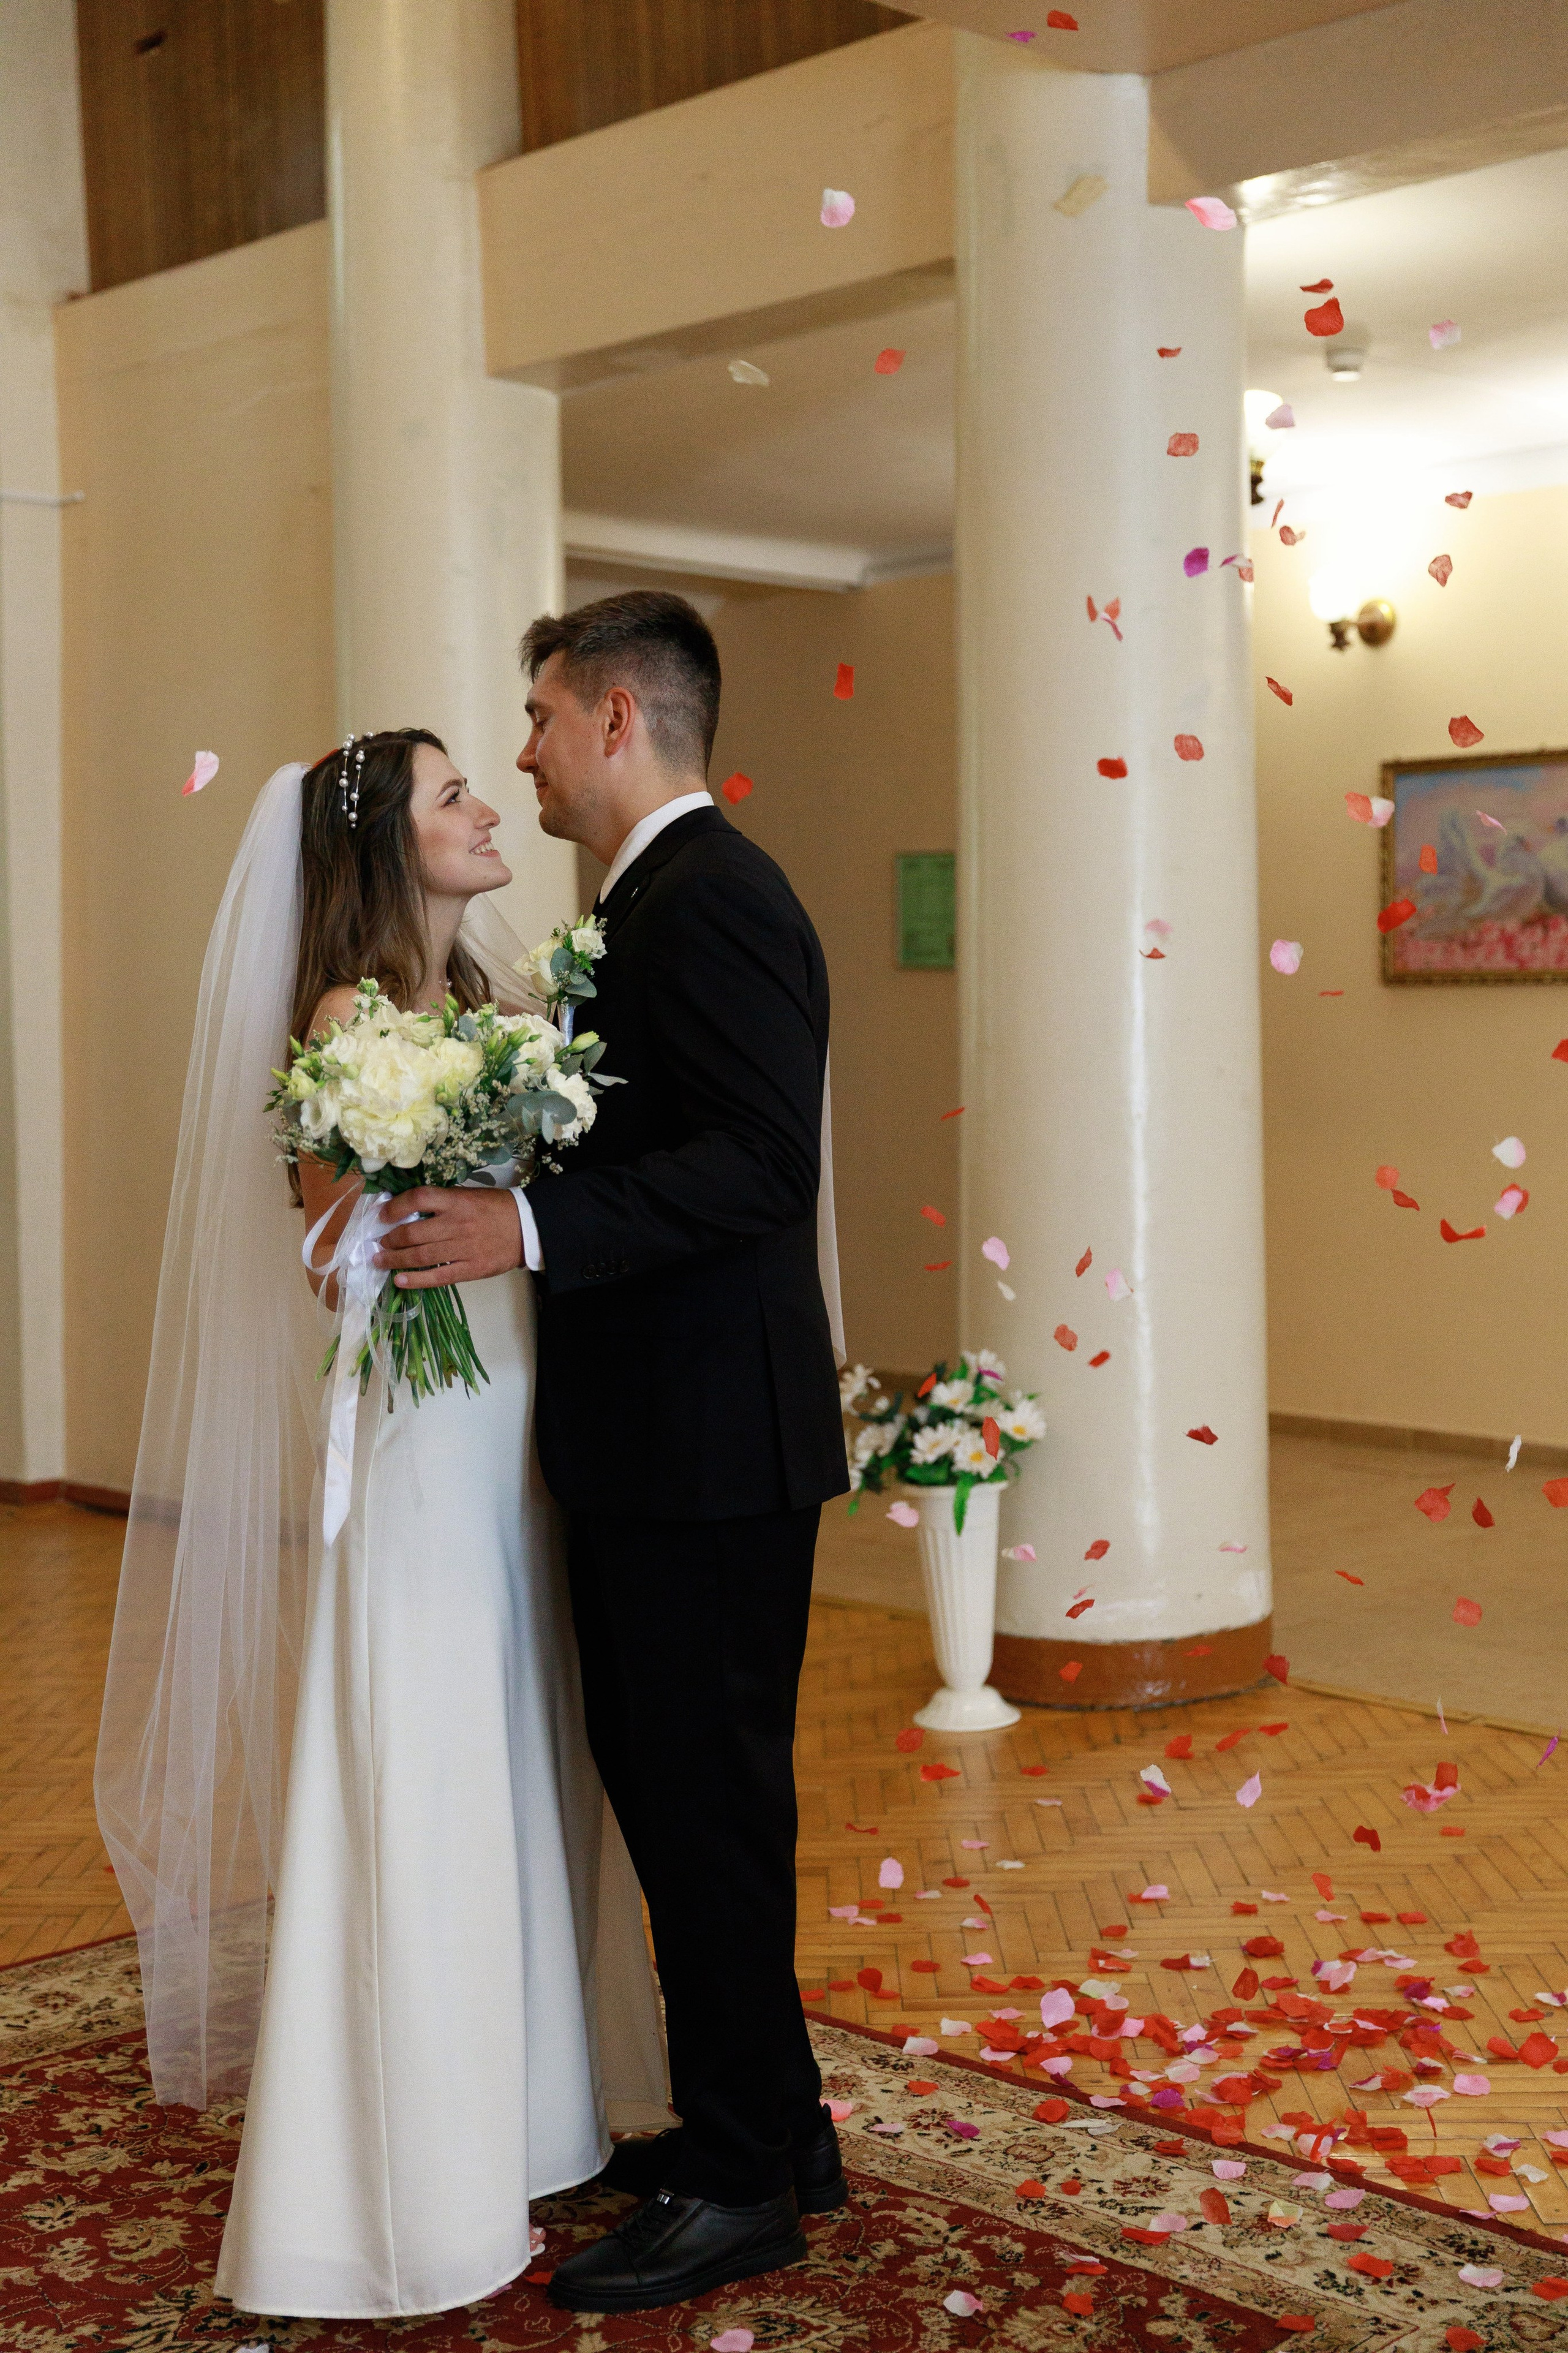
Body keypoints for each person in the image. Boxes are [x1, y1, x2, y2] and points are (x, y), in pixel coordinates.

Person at [96, 730, 668, 2324]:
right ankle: (401, 2168)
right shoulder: (346, 1018)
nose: (488, 810)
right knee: (422, 1755)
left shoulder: (486, 1010)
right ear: (384, 848)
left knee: (512, 1747)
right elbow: (330, 1244)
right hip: (421, 1437)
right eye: (452, 798)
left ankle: (534, 2109)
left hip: (509, 1430)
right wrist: (408, 1195)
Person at [376, 591, 853, 2316]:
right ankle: (772, 2123)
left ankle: (740, 2184)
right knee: (684, 1800)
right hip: (673, 1435)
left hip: (711, 1442)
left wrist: (529, 1225)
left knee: (707, 1808)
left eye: (538, 717)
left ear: (614, 722)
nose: (519, 753)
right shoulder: (655, 894)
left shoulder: (710, 896)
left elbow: (753, 1166)